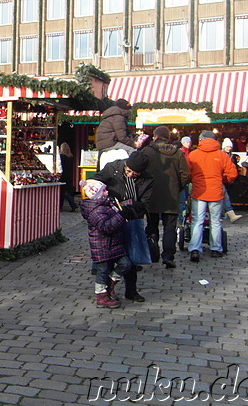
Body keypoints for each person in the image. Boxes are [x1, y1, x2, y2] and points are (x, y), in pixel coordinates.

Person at [94, 150, 153, 302]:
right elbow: (96, 182)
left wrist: (132, 207)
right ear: (125, 165)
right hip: (111, 217)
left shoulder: (148, 178)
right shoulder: (112, 167)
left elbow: (146, 203)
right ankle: (107, 289)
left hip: (132, 218)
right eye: (129, 171)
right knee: (111, 255)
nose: (131, 175)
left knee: (131, 257)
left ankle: (131, 291)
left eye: (136, 173)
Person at [79, 179, 133, 309]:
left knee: (125, 264)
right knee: (102, 271)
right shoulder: (95, 211)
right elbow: (106, 227)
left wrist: (129, 205)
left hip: (113, 244)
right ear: (97, 195)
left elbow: (116, 209)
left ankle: (110, 283)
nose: (107, 191)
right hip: (102, 246)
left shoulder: (106, 203)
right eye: (104, 190)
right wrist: (121, 215)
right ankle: (101, 296)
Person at [186, 130, 239, 262]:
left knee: (197, 221)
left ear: (201, 140)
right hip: (216, 192)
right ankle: (216, 249)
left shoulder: (193, 155)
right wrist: (222, 180)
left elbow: (187, 172)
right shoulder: (222, 155)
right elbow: (232, 173)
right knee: (215, 222)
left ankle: (194, 249)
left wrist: (194, 180)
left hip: (199, 192)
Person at [142, 126, 190, 269]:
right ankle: (168, 255)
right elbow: (185, 175)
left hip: (151, 195)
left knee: (151, 225)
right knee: (170, 227)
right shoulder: (178, 154)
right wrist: (178, 187)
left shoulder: (147, 152)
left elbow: (140, 172)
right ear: (169, 138)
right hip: (171, 195)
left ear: (155, 136)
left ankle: (152, 253)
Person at [220, 138, 244, 224]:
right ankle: (229, 214)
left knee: (224, 196)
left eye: (230, 146)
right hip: (221, 179)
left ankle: (227, 214)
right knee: (223, 196)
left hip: (227, 179)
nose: (229, 148)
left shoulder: (232, 156)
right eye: (227, 146)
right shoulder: (221, 155)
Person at [59, 142, 78, 212]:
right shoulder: (70, 156)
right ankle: (72, 204)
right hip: (69, 175)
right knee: (65, 192)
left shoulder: (61, 156)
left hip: (63, 175)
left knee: (62, 192)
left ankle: (72, 204)